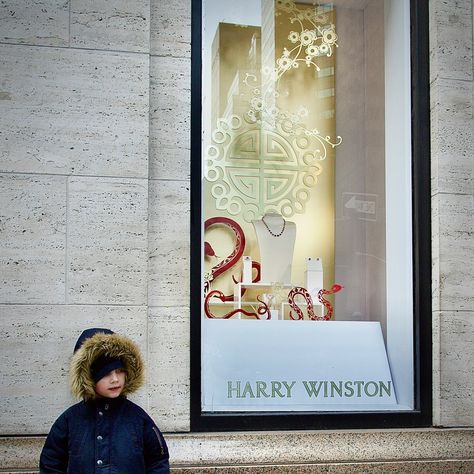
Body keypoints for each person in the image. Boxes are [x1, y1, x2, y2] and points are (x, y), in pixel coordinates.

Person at [39, 328, 170, 473]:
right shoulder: (69, 421)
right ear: (88, 377)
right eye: (106, 373)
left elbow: (158, 462)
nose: (115, 379)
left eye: (119, 371)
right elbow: (50, 465)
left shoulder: (138, 418)